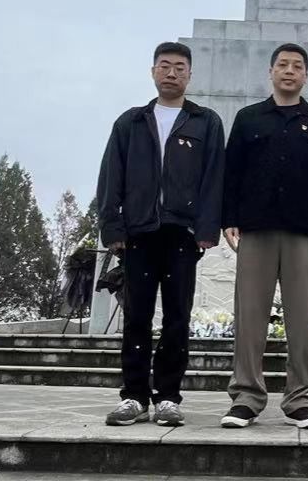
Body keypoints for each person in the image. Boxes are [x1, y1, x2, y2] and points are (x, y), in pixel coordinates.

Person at [95, 41, 225, 428]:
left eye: (179, 67)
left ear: (190, 75)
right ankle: (134, 396)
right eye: (165, 65)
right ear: (153, 71)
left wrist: (206, 228)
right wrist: (112, 227)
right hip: (139, 232)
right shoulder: (130, 122)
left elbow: (214, 178)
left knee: (177, 316)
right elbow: (110, 176)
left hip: (182, 233)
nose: (171, 73)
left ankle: (168, 396)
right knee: (136, 315)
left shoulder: (205, 121)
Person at [220, 43, 308, 430]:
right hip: (255, 229)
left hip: (303, 232)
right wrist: (228, 218)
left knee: (303, 320)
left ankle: (300, 399)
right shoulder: (248, 118)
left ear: (306, 75)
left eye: (297, 66)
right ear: (271, 71)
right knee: (249, 317)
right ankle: (246, 397)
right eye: (283, 65)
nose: (289, 71)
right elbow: (231, 173)